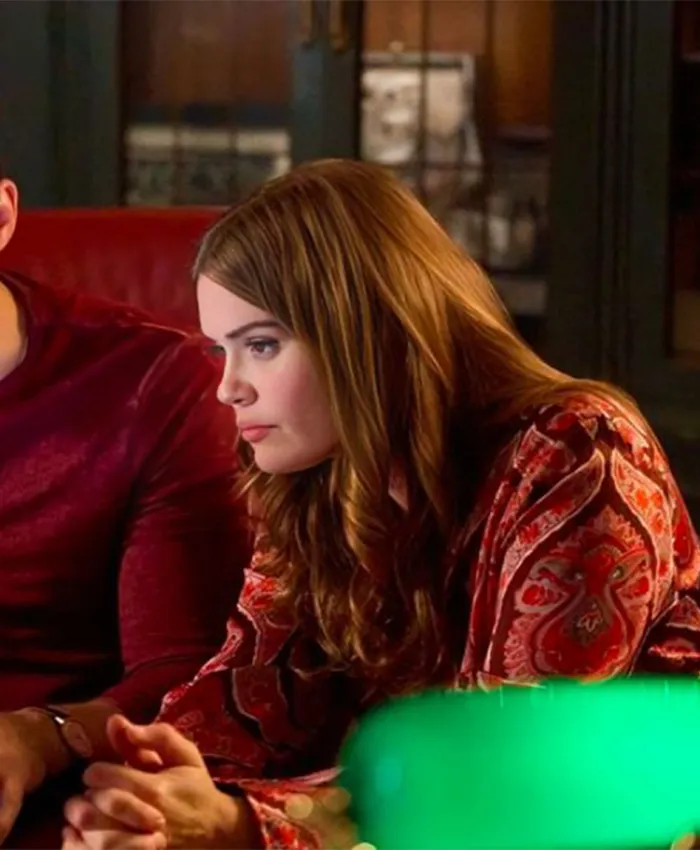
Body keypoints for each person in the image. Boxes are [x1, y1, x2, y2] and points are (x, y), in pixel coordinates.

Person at [62, 159, 700, 850]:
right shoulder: (314, 474)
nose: (228, 388)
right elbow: (248, 694)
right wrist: (155, 790)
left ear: (367, 330)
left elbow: (503, 775)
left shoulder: (580, 452)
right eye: (222, 351)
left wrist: (239, 823)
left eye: (262, 345)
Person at [0, 172, 250, 846]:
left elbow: (188, 676)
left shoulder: (150, 384)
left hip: (66, 799)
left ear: (2, 214)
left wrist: (37, 737)